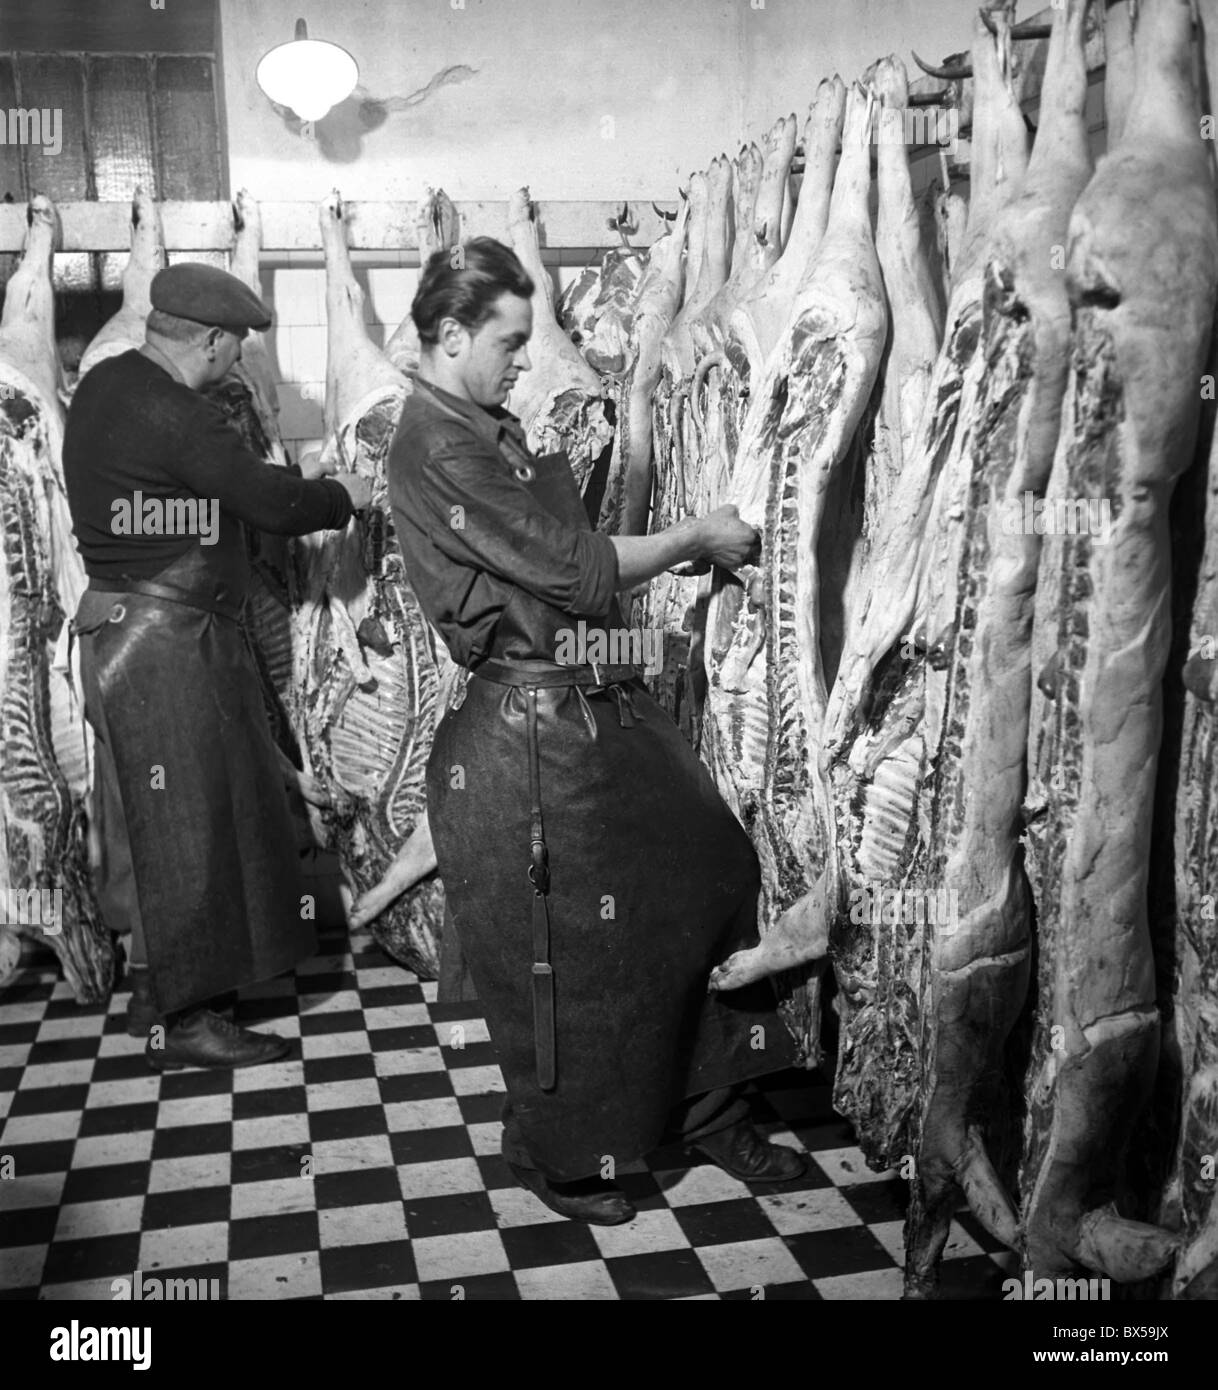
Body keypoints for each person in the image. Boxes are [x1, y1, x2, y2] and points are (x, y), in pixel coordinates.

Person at [387, 238, 806, 1226]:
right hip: (527, 726)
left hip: (593, 695)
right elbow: (575, 572)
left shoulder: (485, 424)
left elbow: (569, 546)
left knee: (711, 868)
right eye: (507, 341)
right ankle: (560, 1153)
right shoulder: (439, 444)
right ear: (450, 335)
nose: (524, 361)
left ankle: (707, 1103)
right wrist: (695, 536)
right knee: (565, 944)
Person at [63, 262, 371, 1070]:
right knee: (191, 830)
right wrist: (345, 493)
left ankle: (154, 998)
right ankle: (189, 1020)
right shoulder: (177, 412)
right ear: (207, 340)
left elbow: (176, 499)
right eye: (236, 349)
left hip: (116, 630)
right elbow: (272, 508)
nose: (238, 365)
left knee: (154, 829)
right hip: (164, 645)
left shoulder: (104, 386)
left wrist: (246, 491)